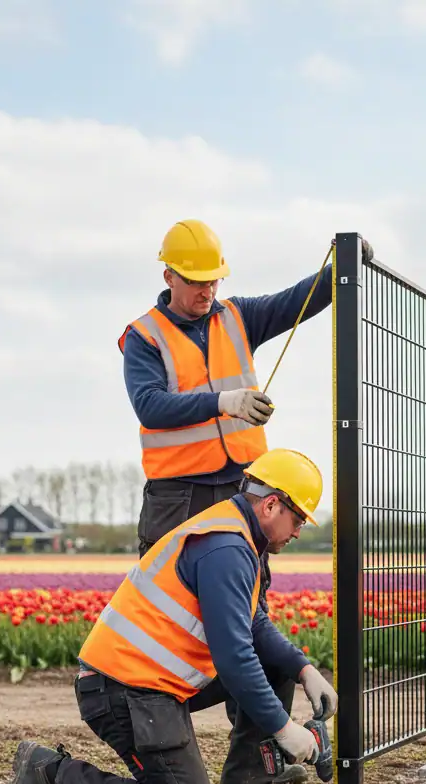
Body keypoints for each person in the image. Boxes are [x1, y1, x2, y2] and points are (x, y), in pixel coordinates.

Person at [2, 449, 339, 784]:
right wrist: (284, 731)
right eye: (297, 518)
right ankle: (53, 776)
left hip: (149, 683)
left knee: (272, 664)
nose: (299, 530)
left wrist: (302, 669)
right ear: (270, 505)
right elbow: (234, 658)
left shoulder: (235, 534)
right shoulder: (226, 549)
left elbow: (252, 623)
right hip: (124, 694)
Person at [124, 218, 373, 558]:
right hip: (178, 494)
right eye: (195, 281)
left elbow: (294, 301)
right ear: (169, 277)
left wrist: (339, 267)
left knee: (248, 590)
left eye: (213, 280)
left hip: (241, 487)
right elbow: (150, 407)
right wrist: (226, 402)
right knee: (171, 593)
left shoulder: (238, 315)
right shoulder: (145, 335)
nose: (207, 291)